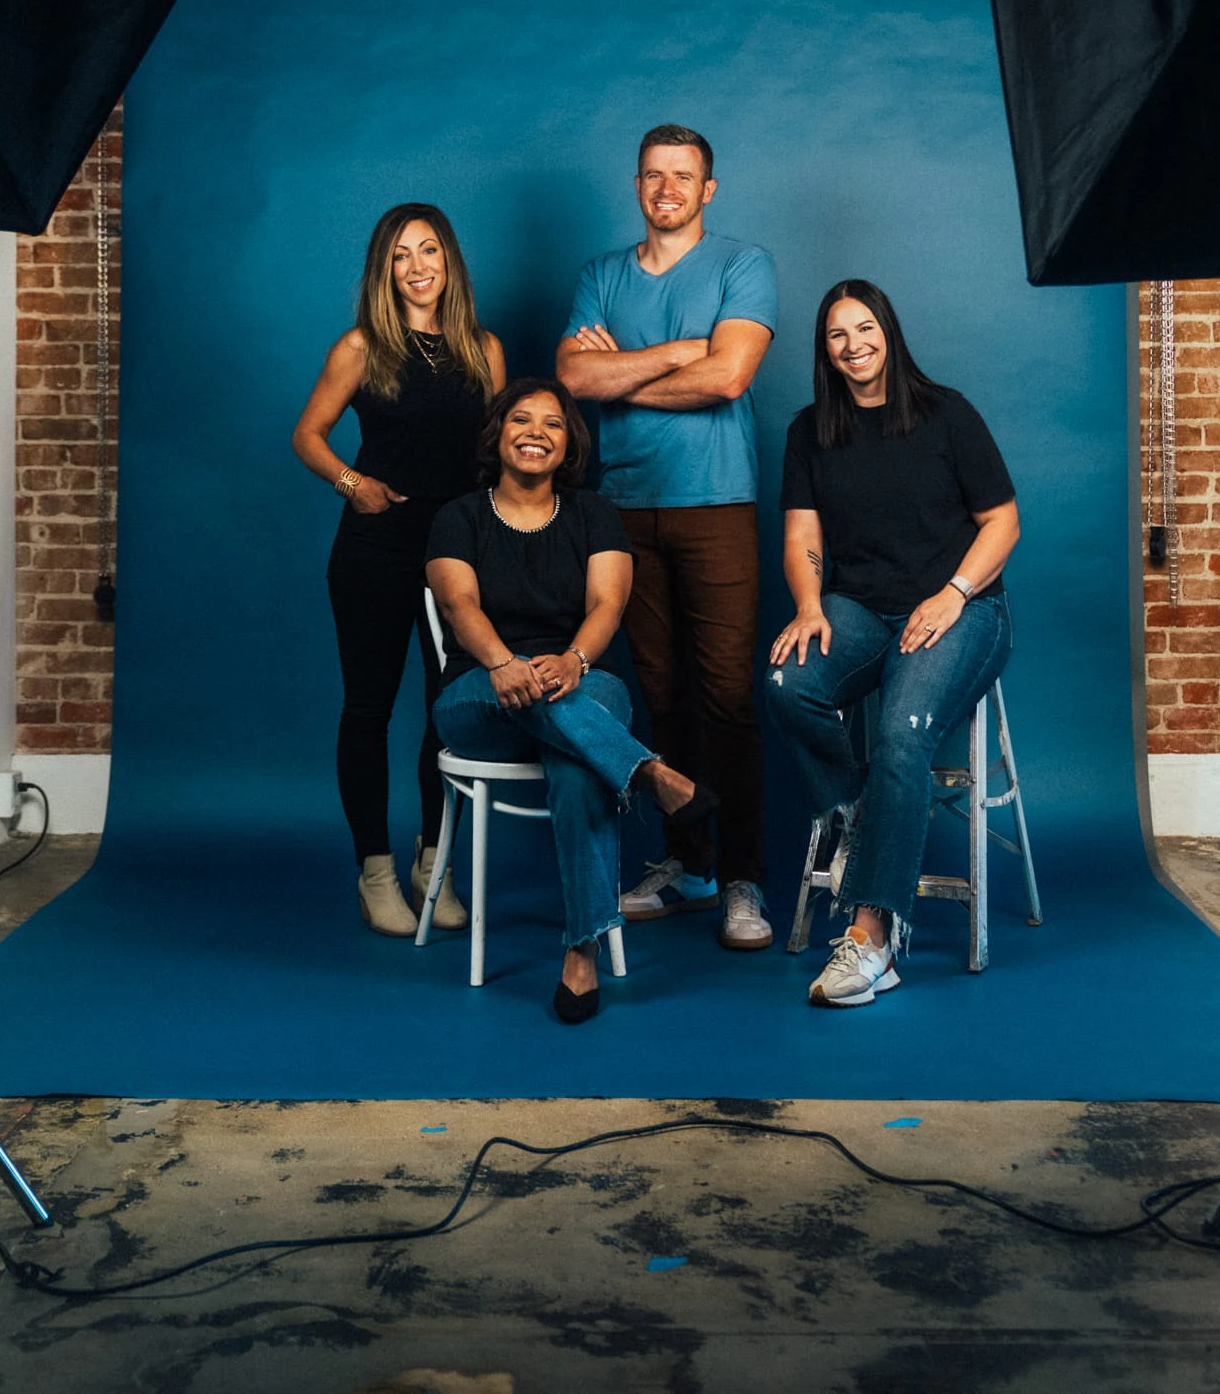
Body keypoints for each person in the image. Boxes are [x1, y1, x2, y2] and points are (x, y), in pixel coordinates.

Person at [425, 378, 714, 1023]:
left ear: (569, 444)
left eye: (553, 425)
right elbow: (458, 603)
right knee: (563, 716)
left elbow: (607, 604)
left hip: (582, 682)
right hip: (480, 696)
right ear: (498, 435)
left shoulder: (593, 515)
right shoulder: (459, 516)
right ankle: (650, 771)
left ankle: (579, 954)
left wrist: (576, 660)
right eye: (521, 420)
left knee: (578, 764)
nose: (535, 433)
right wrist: (504, 662)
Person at [765, 279, 1019, 1008]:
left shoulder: (946, 413)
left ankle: (872, 942)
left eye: (865, 328)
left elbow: (1003, 521)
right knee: (787, 683)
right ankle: (854, 817)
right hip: (862, 611)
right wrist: (810, 606)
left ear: (889, 331)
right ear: (826, 350)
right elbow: (802, 534)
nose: (854, 345)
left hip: (963, 607)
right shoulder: (810, 430)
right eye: (838, 335)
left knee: (904, 736)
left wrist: (953, 593)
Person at [556, 124, 778, 951]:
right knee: (661, 695)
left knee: (724, 695)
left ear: (707, 190)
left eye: (683, 177)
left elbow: (730, 376)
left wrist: (628, 375)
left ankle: (745, 879)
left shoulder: (742, 265)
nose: (667, 188)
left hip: (716, 502)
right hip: (622, 512)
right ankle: (691, 867)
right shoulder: (601, 276)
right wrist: (678, 352)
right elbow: (574, 378)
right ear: (637, 184)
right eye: (653, 175)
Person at [293, 204, 504, 937]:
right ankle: (375, 871)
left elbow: (494, 457)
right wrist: (356, 485)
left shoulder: (484, 349)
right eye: (401, 256)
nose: (417, 267)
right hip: (375, 550)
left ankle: (431, 862)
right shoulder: (363, 346)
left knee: (447, 715)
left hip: (456, 556)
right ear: (385, 269)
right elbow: (308, 435)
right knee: (370, 710)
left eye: (430, 252)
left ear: (451, 263)